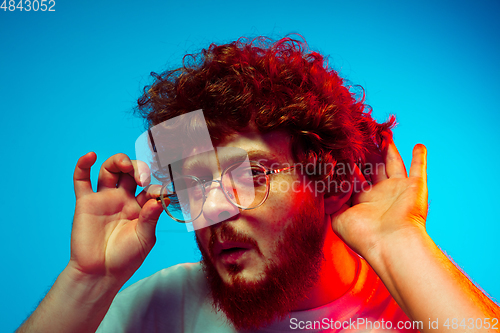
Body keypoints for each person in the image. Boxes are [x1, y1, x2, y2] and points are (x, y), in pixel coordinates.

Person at [18, 36, 499, 333]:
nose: (216, 210)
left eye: (252, 175)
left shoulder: (418, 305)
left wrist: (398, 241)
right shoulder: (165, 305)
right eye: (196, 182)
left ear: (328, 184)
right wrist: (90, 281)